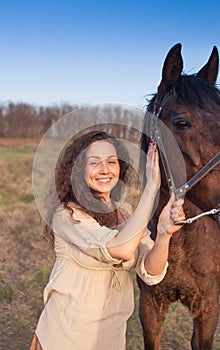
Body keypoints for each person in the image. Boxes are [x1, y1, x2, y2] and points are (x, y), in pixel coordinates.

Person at [30, 130, 185, 350]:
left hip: (112, 334)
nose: (105, 170)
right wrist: (150, 190)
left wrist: (163, 234)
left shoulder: (127, 213)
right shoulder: (67, 214)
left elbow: (151, 272)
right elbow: (120, 249)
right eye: (94, 162)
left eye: (112, 162)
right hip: (67, 333)